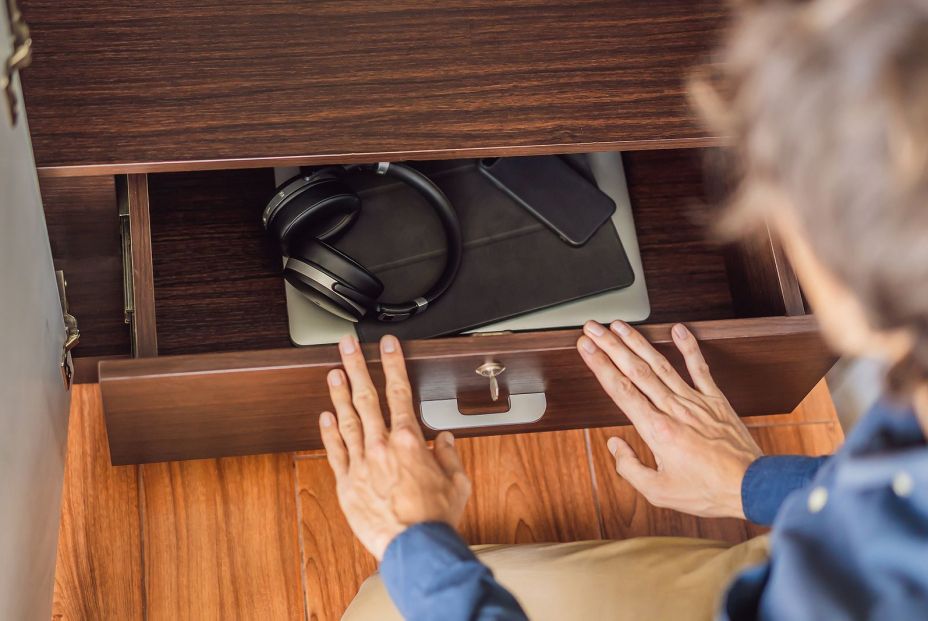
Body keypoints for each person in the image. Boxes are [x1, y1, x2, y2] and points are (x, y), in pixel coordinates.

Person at [317, 0, 928, 618]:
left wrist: (412, 541)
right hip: (824, 541)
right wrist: (751, 482)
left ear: (850, 296)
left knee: (385, 605)